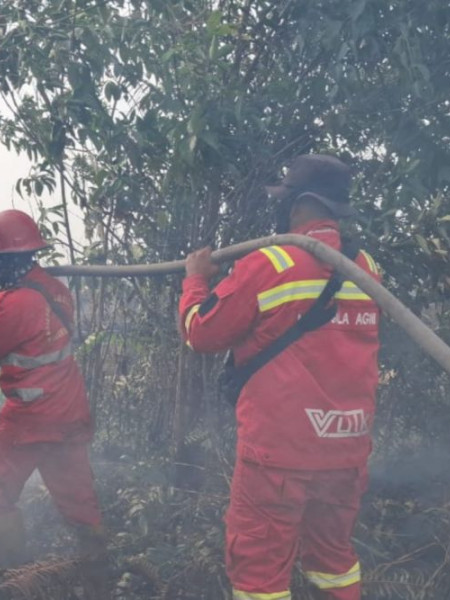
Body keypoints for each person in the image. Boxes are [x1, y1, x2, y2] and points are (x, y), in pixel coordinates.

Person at [179, 155, 381, 600]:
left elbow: (201, 332)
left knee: (259, 576)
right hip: (346, 450)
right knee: (334, 563)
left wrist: (195, 281)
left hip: (280, 456)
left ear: (299, 203)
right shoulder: (366, 266)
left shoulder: (271, 262)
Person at [0, 209, 109, 598]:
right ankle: (100, 579)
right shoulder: (52, 288)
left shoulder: (17, 303)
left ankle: (16, 582)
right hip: (68, 411)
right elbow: (23, 315)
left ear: (5, 261)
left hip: (30, 419)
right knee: (79, 503)